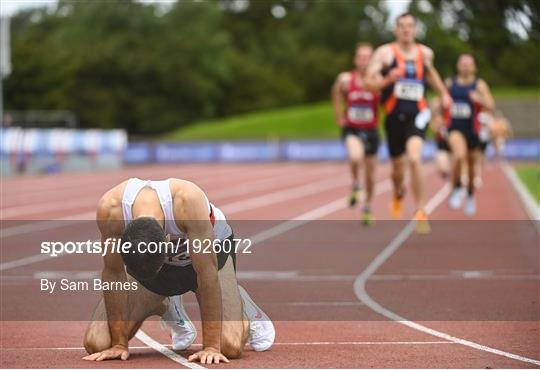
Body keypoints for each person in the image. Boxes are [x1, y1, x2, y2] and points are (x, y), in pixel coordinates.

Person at [83, 178, 275, 364]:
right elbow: (113, 273)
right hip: (156, 270)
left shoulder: (188, 201)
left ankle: (243, 305)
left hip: (209, 262)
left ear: (167, 242)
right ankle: (166, 304)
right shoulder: (111, 209)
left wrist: (211, 347)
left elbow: (206, 274)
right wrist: (118, 343)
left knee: (229, 346)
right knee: (98, 343)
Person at [365, 12, 452, 233]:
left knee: (414, 157)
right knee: (397, 170)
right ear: (395, 30)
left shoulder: (425, 53)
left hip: (418, 113)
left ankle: (421, 210)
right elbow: (368, 82)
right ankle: (397, 192)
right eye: (401, 26)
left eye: (410, 26)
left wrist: (444, 94)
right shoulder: (385, 53)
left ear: (415, 29)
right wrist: (387, 79)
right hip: (394, 116)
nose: (406, 29)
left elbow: (431, 74)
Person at [332, 42, 380, 225]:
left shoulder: (377, 80)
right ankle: (355, 183)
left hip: (371, 130)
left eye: (368, 57)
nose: (364, 61)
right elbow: (335, 92)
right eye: (361, 57)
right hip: (352, 128)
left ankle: (368, 206)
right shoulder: (345, 79)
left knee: (371, 174)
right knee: (355, 155)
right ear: (355, 59)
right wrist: (338, 115)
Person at [446, 54, 495, 216]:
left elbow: (491, 105)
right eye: (463, 63)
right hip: (455, 128)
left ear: (474, 67)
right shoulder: (450, 83)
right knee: (459, 156)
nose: (466, 66)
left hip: (473, 130)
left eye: (469, 64)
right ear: (458, 66)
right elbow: (441, 102)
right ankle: (457, 188)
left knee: (472, 167)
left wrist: (479, 99)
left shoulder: (479, 85)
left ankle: (470, 196)